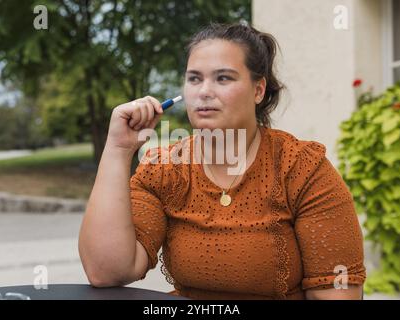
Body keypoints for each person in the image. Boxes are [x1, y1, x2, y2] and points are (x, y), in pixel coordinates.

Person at [78, 23, 366, 300]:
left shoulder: (302, 168)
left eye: (223, 78)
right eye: (194, 78)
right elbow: (107, 272)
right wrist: (118, 149)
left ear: (258, 90)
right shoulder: (164, 169)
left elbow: (336, 294)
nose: (204, 91)